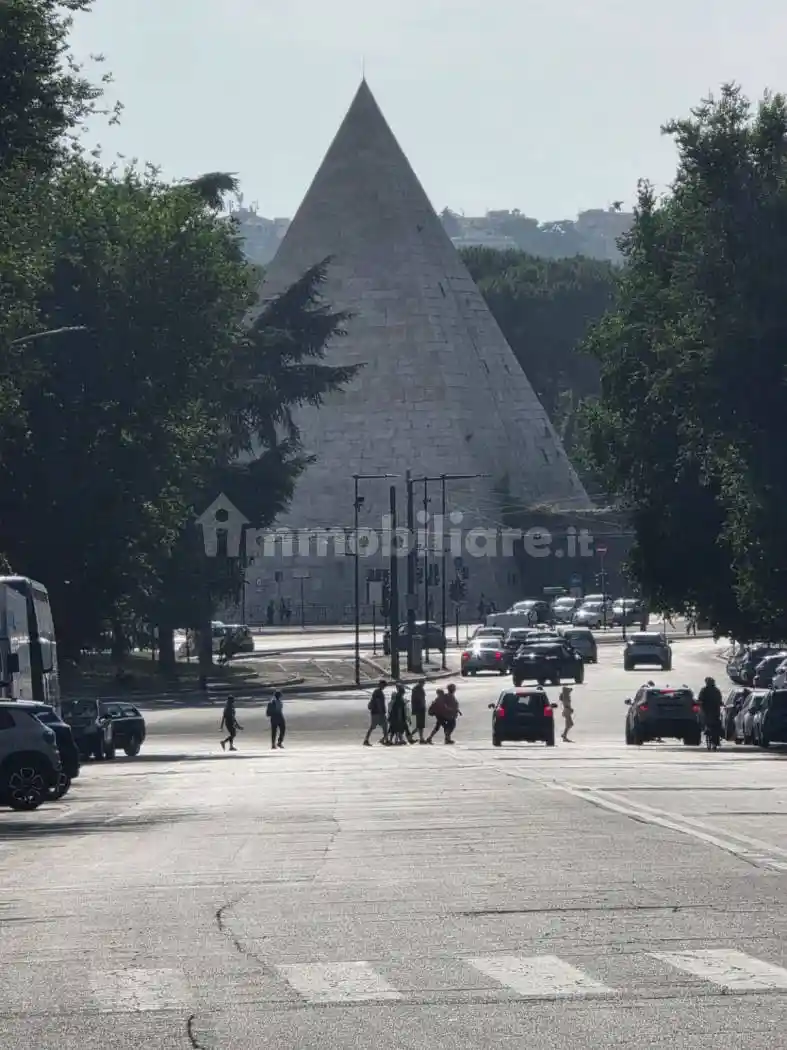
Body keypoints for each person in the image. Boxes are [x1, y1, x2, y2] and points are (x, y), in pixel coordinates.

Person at [698, 676, 723, 744]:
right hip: (711, 710)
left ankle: (715, 737)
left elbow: (700, 698)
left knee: (713, 722)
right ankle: (716, 738)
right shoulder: (715, 690)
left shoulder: (704, 690)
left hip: (709, 710)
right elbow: (719, 699)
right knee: (715, 722)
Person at [364, 680, 388, 746]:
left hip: (377, 712)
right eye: (384, 685)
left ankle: (385, 740)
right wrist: (381, 712)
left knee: (384, 726)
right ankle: (366, 740)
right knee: (373, 727)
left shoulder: (379, 691)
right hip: (377, 713)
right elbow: (378, 702)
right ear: (381, 685)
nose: (384, 687)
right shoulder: (377, 692)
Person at [410, 678, 427, 743]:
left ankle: (420, 738)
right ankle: (412, 736)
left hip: (417, 708)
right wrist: (423, 706)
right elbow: (421, 699)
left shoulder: (417, 689)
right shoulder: (418, 689)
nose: (424, 684)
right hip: (419, 708)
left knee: (419, 725)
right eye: (423, 683)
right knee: (419, 725)